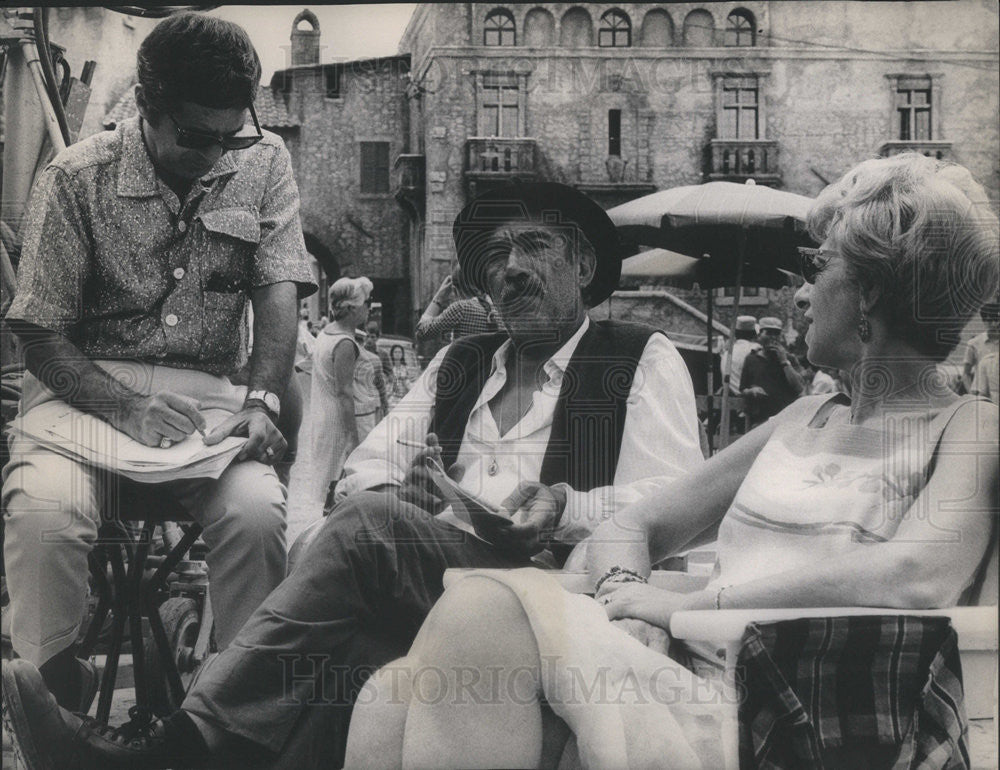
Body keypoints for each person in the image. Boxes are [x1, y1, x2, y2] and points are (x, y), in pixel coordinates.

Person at [1, 181, 705, 769]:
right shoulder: (461, 363)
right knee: (349, 632)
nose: (510, 269)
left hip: (562, 592)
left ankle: (172, 751)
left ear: (583, 267)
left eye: (534, 247)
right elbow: (365, 471)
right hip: (448, 576)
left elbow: (679, 504)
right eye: (496, 256)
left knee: (366, 539)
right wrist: (410, 495)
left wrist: (565, 503)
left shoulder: (636, 357)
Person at [339, 153, 999, 769]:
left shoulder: (970, 424)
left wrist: (688, 606)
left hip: (790, 705)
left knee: (478, 614)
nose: (800, 293)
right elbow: (633, 527)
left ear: (872, 293)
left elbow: (912, 576)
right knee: (390, 694)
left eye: (816, 266)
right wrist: (630, 599)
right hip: (693, 663)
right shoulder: (803, 418)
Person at [0, 12, 315, 714]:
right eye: (195, 137)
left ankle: (229, 713)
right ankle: (50, 702)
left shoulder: (262, 162)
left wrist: (262, 399)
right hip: (80, 394)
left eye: (230, 134)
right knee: (45, 512)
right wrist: (126, 407)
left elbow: (280, 287)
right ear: (146, 103)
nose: (215, 155)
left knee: (258, 516)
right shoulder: (77, 176)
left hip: (206, 400)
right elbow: (37, 331)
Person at [308, 276, 380, 504]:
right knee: (341, 484)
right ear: (352, 308)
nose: (370, 308)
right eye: (367, 303)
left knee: (329, 479)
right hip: (340, 422)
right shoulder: (345, 344)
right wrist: (352, 438)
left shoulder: (328, 332)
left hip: (324, 416)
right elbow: (345, 393)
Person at [740, 316, 806, 427]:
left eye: (776, 333)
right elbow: (743, 389)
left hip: (785, 420)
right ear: (760, 336)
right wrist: (752, 391)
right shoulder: (751, 359)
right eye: (769, 333)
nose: (773, 338)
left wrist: (784, 361)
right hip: (760, 420)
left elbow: (799, 387)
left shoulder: (789, 359)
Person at [414, 263, 500, 343]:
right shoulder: (499, 311)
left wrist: (438, 298)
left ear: (455, 289)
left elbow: (421, 333)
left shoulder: (461, 308)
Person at [962, 301, 999, 393]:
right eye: (990, 320)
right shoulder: (974, 343)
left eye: (997, 320)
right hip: (980, 392)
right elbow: (966, 374)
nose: (994, 324)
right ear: (984, 321)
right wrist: (971, 394)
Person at [719, 314, 760, 393]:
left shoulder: (727, 352)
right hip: (748, 395)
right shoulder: (755, 348)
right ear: (754, 334)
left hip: (730, 394)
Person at [362, 319, 392, 417]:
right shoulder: (359, 353)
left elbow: (390, 374)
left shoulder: (383, 354)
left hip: (377, 394)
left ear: (377, 338)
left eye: (372, 337)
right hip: (362, 393)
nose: (369, 339)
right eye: (367, 336)